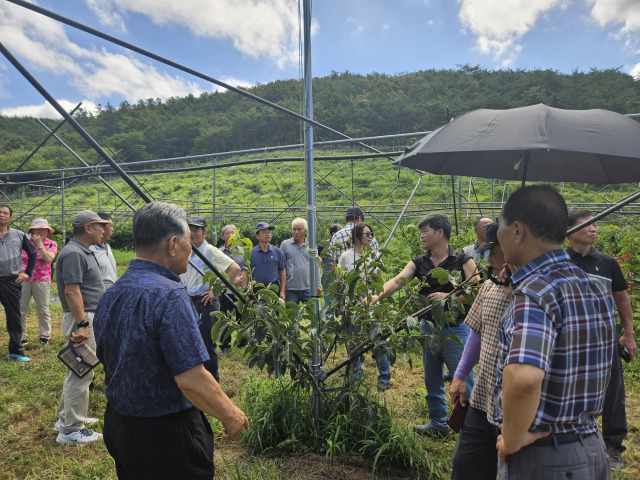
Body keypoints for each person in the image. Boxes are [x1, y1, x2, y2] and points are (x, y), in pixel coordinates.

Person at [94, 202, 249, 480]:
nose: (192, 249)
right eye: (190, 241)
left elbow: (107, 354)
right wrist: (231, 415)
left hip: (120, 424)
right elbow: (190, 378)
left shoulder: (114, 291)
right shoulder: (169, 295)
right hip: (164, 434)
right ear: (173, 244)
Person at [494, 186, 616, 479]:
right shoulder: (591, 285)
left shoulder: (536, 291)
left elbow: (523, 379)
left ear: (517, 232)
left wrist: (511, 438)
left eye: (500, 225)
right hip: (590, 445)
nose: (497, 236)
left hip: (547, 456)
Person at [368, 213, 477, 438]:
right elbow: (398, 280)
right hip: (428, 330)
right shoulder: (420, 262)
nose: (421, 236)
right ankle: (438, 424)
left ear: (440, 232)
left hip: (455, 328)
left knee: (464, 380)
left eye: (425, 231)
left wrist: (448, 298)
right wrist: (376, 296)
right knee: (432, 378)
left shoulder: (463, 261)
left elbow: (477, 291)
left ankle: (473, 428)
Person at [566, 209, 636, 470]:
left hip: (605, 339)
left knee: (613, 391)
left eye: (596, 225)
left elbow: (621, 298)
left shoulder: (607, 263)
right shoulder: (558, 261)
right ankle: (576, 438)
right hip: (570, 340)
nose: (594, 229)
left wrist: (628, 335)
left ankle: (613, 446)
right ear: (570, 230)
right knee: (571, 388)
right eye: (588, 225)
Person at [449, 222, 511, 480]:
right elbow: (476, 332)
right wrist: (460, 376)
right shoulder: (489, 286)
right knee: (466, 468)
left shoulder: (536, 292)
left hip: (516, 409)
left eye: (494, 251)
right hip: (482, 400)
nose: (489, 258)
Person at [55, 210, 111, 445]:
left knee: (78, 372)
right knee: (82, 373)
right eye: (100, 226)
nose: (104, 231)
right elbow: (71, 290)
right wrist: (83, 324)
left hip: (86, 316)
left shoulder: (80, 251)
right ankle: (71, 430)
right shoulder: (74, 253)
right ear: (87, 228)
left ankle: (67, 418)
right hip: (83, 316)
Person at [181, 216, 240, 381]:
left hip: (204, 301)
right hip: (190, 298)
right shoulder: (189, 250)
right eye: (189, 229)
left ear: (205, 233)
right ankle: (198, 379)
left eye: (196, 229)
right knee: (191, 342)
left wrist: (217, 291)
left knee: (207, 344)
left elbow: (234, 268)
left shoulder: (209, 251)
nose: (192, 233)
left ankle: (213, 381)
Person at [338, 223, 391, 391]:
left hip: (372, 305)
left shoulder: (375, 256)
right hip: (354, 305)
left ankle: (384, 376)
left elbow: (379, 283)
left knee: (378, 340)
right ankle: (357, 373)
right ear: (357, 237)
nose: (370, 236)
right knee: (353, 340)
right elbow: (341, 282)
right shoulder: (346, 256)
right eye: (367, 233)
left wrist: (373, 298)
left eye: (371, 234)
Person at [0, 204, 37, 362]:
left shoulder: (19, 235)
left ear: (10, 217)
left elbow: (32, 254)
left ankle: (16, 351)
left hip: (11, 281)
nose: (1, 214)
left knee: (14, 316)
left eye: (5, 213)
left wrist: (27, 273)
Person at [20, 218, 57, 348]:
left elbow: (48, 259)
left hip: (42, 280)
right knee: (21, 309)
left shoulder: (52, 244)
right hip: (23, 279)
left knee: (43, 309)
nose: (41, 231)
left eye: (44, 229)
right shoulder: (23, 242)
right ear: (32, 231)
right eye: (37, 229)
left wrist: (40, 245)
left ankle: (45, 336)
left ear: (48, 232)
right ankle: (21, 336)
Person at [219, 224, 248, 352]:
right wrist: (231, 278)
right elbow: (217, 270)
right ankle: (225, 345)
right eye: (228, 233)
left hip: (241, 289)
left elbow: (246, 268)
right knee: (226, 318)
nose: (231, 235)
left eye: (233, 233)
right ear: (222, 236)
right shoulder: (219, 252)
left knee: (242, 317)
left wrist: (241, 279)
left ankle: (243, 342)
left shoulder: (243, 251)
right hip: (225, 290)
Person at [280, 217, 321, 304]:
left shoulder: (311, 245)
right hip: (291, 288)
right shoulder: (285, 244)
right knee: (291, 315)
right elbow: (281, 268)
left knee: (315, 313)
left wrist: (318, 284)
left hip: (309, 287)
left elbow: (316, 265)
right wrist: (282, 289)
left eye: (299, 229)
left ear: (305, 231)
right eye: (294, 229)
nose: (296, 232)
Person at [250, 222, 286, 298]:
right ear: (257, 236)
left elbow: (282, 272)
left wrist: (282, 291)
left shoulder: (278, 252)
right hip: (256, 289)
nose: (268, 234)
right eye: (264, 232)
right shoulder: (251, 253)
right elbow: (245, 273)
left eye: (269, 232)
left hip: (273, 288)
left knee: (274, 309)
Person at [89, 212, 117, 290]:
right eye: (110, 226)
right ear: (101, 228)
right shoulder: (90, 250)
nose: (113, 229)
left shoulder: (108, 247)